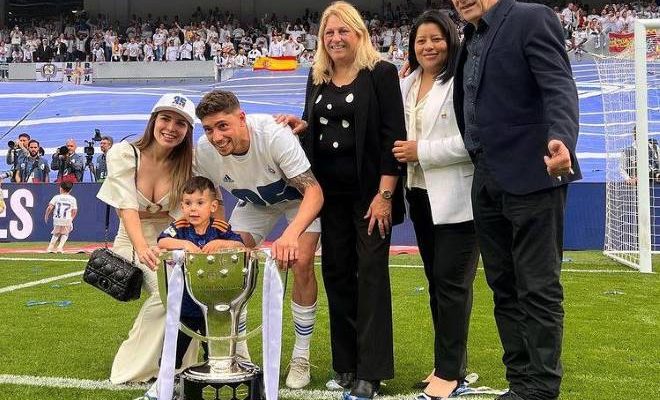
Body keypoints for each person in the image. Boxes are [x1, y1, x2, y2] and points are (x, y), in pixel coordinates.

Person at [451, 0, 581, 399]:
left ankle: (541, 389)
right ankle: (520, 383)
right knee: (503, 286)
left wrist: (562, 138)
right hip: (486, 178)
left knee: (538, 288)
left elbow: (558, 83)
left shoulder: (530, 17)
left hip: (534, 174)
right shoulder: (470, 36)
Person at [276, 2, 406, 399]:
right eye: (328, 33)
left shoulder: (380, 74)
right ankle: (346, 365)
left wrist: (385, 195)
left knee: (369, 277)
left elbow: (392, 139)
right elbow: (316, 123)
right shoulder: (316, 77)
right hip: (327, 198)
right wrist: (302, 126)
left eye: (343, 31)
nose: (335, 39)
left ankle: (372, 372)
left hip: (370, 197)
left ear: (359, 34)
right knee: (337, 275)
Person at [194, 89, 324, 389]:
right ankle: (239, 352)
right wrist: (221, 232)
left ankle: (301, 356)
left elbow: (314, 192)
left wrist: (291, 235)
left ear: (242, 118)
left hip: (297, 200)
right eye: (209, 129)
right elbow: (210, 195)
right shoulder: (204, 150)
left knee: (301, 261)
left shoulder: (273, 134)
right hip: (253, 203)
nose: (216, 137)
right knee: (228, 261)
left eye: (223, 126)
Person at [395, 10, 479, 400]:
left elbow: (472, 141)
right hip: (420, 195)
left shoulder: (462, 80)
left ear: (450, 39)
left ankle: (450, 372)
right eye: (421, 40)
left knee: (451, 285)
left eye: (437, 38)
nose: (429, 46)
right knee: (437, 284)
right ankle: (447, 363)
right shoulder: (407, 84)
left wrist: (420, 151)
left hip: (458, 198)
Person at [97, 93, 202, 384]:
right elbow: (126, 207)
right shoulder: (123, 152)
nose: (171, 127)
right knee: (167, 293)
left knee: (189, 291)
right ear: (153, 120)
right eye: (165, 118)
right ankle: (133, 368)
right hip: (131, 240)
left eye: (181, 123)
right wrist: (144, 248)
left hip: (168, 239)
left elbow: (182, 217)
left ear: (188, 130)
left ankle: (180, 364)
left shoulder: (187, 164)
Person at [136, 176, 245, 400]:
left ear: (213, 206)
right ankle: (161, 388)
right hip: (185, 304)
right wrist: (185, 244)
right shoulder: (181, 227)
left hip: (215, 306)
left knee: (216, 352)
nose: (192, 209)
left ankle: (214, 388)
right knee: (172, 349)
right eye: (187, 203)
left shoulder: (220, 228)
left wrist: (221, 244)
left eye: (199, 203)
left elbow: (240, 245)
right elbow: (162, 242)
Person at [44, 181, 77, 253]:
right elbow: (74, 211)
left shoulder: (56, 197)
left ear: (61, 188)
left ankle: (50, 247)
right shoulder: (72, 199)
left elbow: (49, 207)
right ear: (70, 190)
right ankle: (59, 247)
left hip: (57, 218)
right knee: (65, 233)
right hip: (67, 218)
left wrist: (46, 215)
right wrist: (71, 219)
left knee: (56, 233)